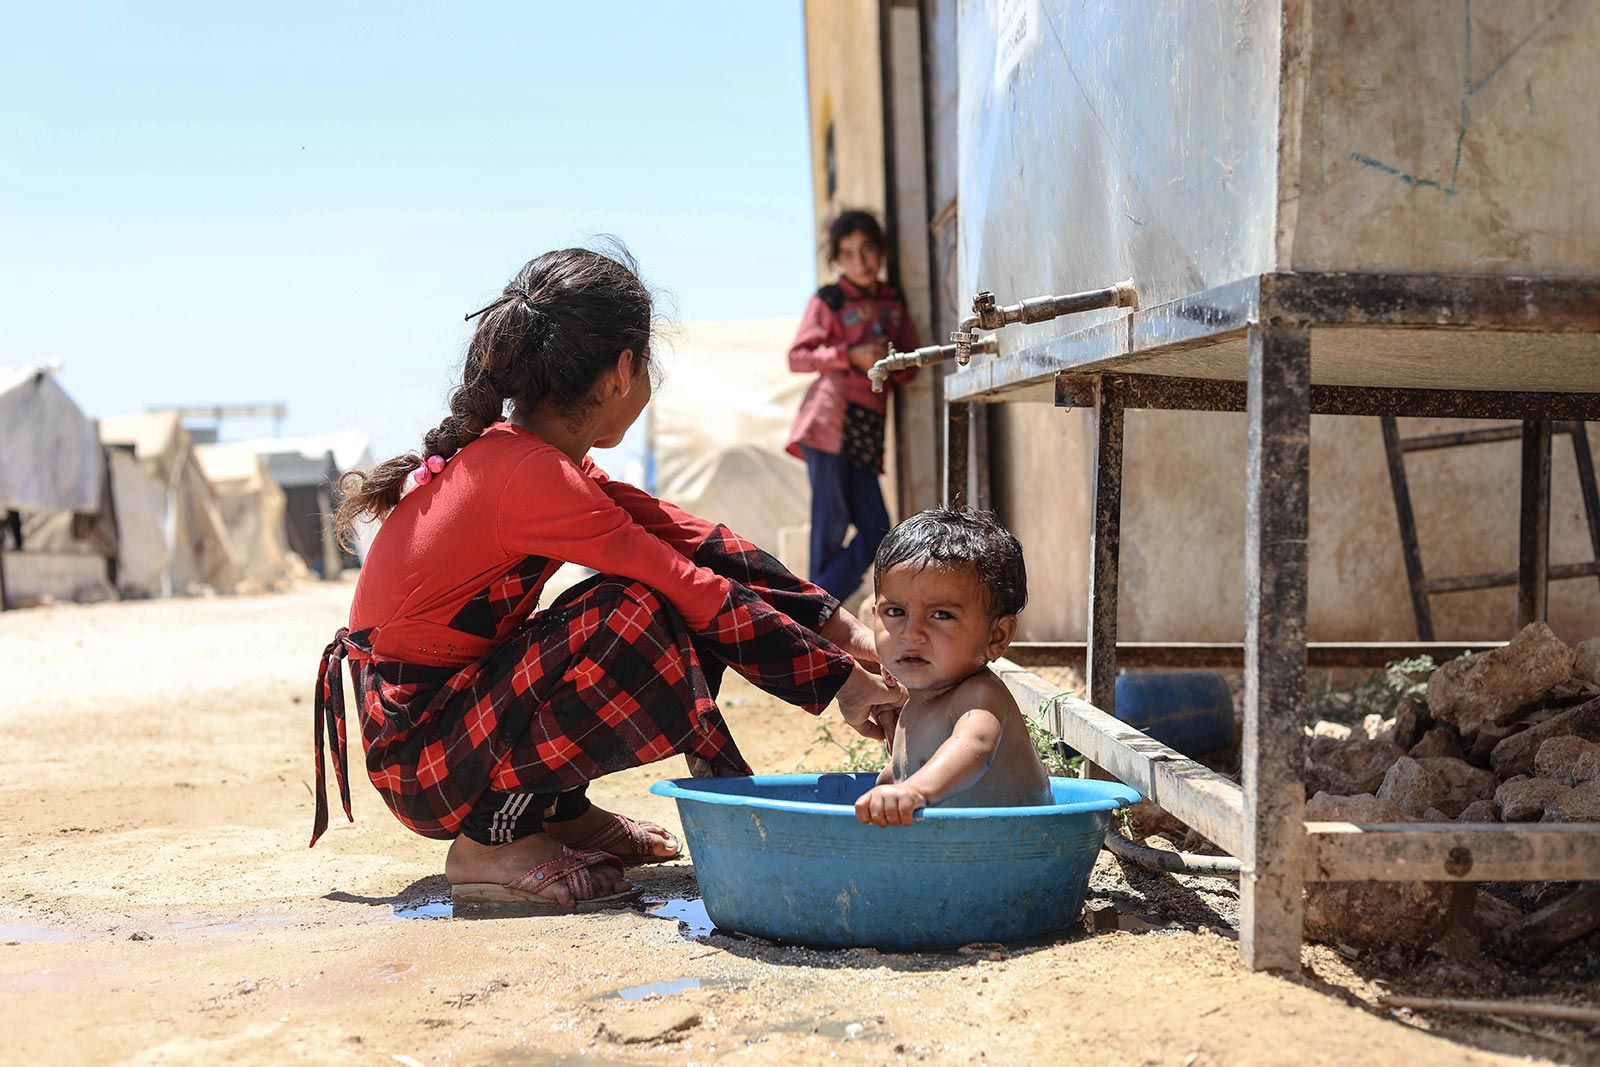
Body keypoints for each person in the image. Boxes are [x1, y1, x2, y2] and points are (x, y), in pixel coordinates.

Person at [312, 243, 904, 910]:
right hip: (420, 754)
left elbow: (693, 540)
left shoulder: (536, 460)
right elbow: (684, 582)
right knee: (637, 612)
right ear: (622, 371)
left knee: (662, 595)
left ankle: (557, 809)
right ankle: (491, 840)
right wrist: (840, 682)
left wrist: (842, 628)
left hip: (446, 726)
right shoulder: (530, 475)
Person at [854, 507, 1052, 827]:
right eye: (895, 611)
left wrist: (913, 790)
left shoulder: (978, 696)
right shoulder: (916, 699)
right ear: (874, 613)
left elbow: (973, 746)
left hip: (1015, 847)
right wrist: (891, 783)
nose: (911, 633)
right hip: (956, 853)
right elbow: (916, 764)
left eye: (942, 615)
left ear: (996, 635)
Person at [785, 210, 919, 604]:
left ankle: (810, 609)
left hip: (867, 426)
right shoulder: (830, 299)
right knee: (831, 527)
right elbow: (798, 357)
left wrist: (889, 361)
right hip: (828, 423)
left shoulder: (892, 301)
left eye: (868, 250)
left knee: (879, 529)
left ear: (881, 251)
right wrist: (850, 354)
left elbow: (910, 366)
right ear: (837, 259)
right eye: (848, 253)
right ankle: (813, 618)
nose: (860, 262)